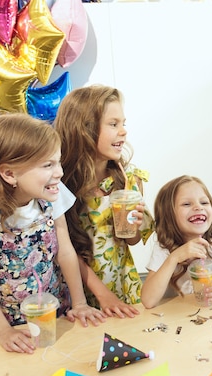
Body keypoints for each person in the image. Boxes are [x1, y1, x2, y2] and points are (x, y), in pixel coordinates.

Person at [0, 113, 105, 354]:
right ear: (9, 174)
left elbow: (65, 252)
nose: (60, 173)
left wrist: (80, 303)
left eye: (58, 162)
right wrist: (2, 330)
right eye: (47, 165)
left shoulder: (53, 193)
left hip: (53, 314)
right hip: (3, 323)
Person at [54, 85, 154, 317]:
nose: (123, 131)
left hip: (122, 284)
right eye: (113, 124)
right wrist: (101, 294)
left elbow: (132, 241)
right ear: (84, 129)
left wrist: (133, 227)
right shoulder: (61, 186)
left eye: (123, 123)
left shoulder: (129, 179)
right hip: (79, 293)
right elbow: (64, 248)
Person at [141, 175, 212, 308]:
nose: (198, 207)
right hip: (176, 318)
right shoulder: (165, 249)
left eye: (204, 202)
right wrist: (174, 258)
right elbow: (148, 301)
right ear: (168, 214)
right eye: (186, 204)